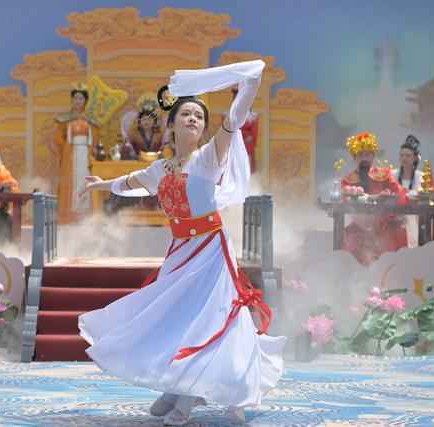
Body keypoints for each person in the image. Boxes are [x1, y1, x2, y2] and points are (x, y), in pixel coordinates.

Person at [78, 60, 285, 426]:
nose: (193, 119)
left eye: (199, 116)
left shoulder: (208, 158)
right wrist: (100, 184)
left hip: (211, 250)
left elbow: (235, 117)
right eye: (186, 114)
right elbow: (128, 183)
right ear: (170, 125)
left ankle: (190, 394)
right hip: (180, 252)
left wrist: (247, 79)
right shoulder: (159, 169)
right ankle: (175, 387)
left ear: (204, 128)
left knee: (204, 319)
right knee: (171, 317)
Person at [341, 132, 408, 266]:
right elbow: (346, 204)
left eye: (367, 155)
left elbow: (400, 196)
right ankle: (355, 276)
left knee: (397, 234)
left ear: (373, 156)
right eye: (360, 155)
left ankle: (393, 274)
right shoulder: (348, 181)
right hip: (359, 227)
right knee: (350, 239)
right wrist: (375, 198)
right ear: (355, 158)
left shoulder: (385, 175)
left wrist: (390, 203)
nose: (364, 158)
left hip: (385, 226)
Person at [53, 83, 100, 224]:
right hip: (71, 155)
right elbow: (58, 139)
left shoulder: (90, 120)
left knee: (85, 181)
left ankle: (85, 219)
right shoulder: (65, 119)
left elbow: (95, 139)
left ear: (85, 100)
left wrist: (92, 154)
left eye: (81, 98)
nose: (78, 101)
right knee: (70, 183)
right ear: (72, 100)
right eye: (75, 98)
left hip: (86, 154)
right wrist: (63, 154)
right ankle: (67, 217)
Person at [391, 135, 423, 247]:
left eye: (408, 155)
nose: (404, 158)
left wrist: (401, 193)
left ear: (415, 158)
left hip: (412, 216)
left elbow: (418, 194)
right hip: (394, 215)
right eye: (402, 155)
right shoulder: (393, 174)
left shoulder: (420, 176)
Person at [223, 87, 258, 174]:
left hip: (247, 149)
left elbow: (253, 135)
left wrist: (238, 133)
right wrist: (244, 134)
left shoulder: (253, 117)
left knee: (246, 172)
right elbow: (226, 133)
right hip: (231, 149)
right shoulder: (226, 116)